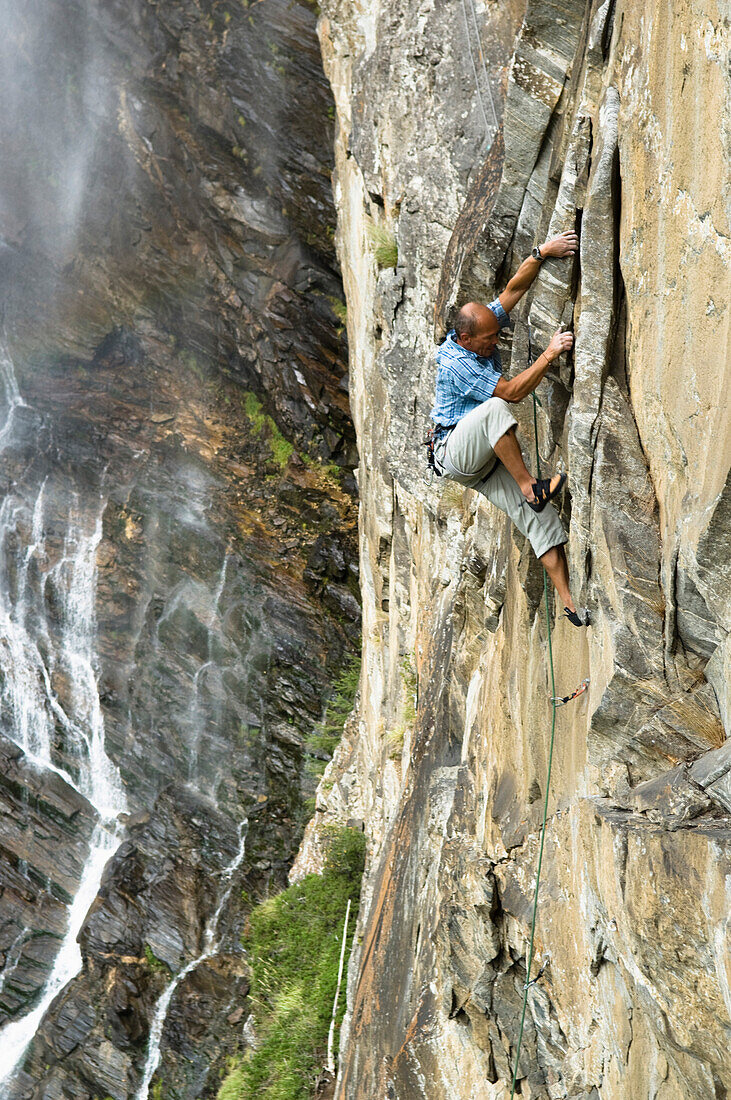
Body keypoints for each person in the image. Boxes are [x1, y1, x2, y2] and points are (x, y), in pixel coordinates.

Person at [430, 230, 587, 626]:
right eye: (489, 339)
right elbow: (513, 392)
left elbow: (512, 291)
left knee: (539, 519)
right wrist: (550, 354)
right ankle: (530, 487)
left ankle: (570, 603)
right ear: (465, 338)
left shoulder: (477, 329)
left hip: (482, 460)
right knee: (495, 407)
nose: (495, 341)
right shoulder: (457, 361)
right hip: (454, 452)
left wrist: (541, 252)